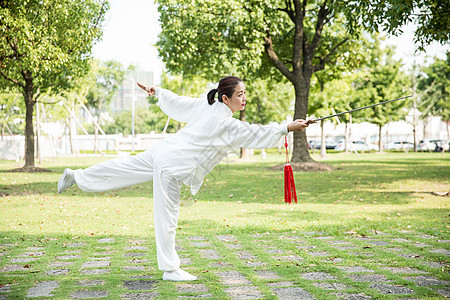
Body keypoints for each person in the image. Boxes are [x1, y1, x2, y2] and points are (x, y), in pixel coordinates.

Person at [57, 76, 311, 281]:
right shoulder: (224, 122)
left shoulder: (207, 105)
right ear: (225, 98)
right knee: (167, 217)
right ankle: (170, 269)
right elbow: (255, 133)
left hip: (163, 152)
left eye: (245, 93)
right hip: (171, 165)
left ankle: (76, 176)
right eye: (239, 94)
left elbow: (178, 103)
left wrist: (159, 92)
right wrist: (287, 127)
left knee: (122, 167)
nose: (244, 98)